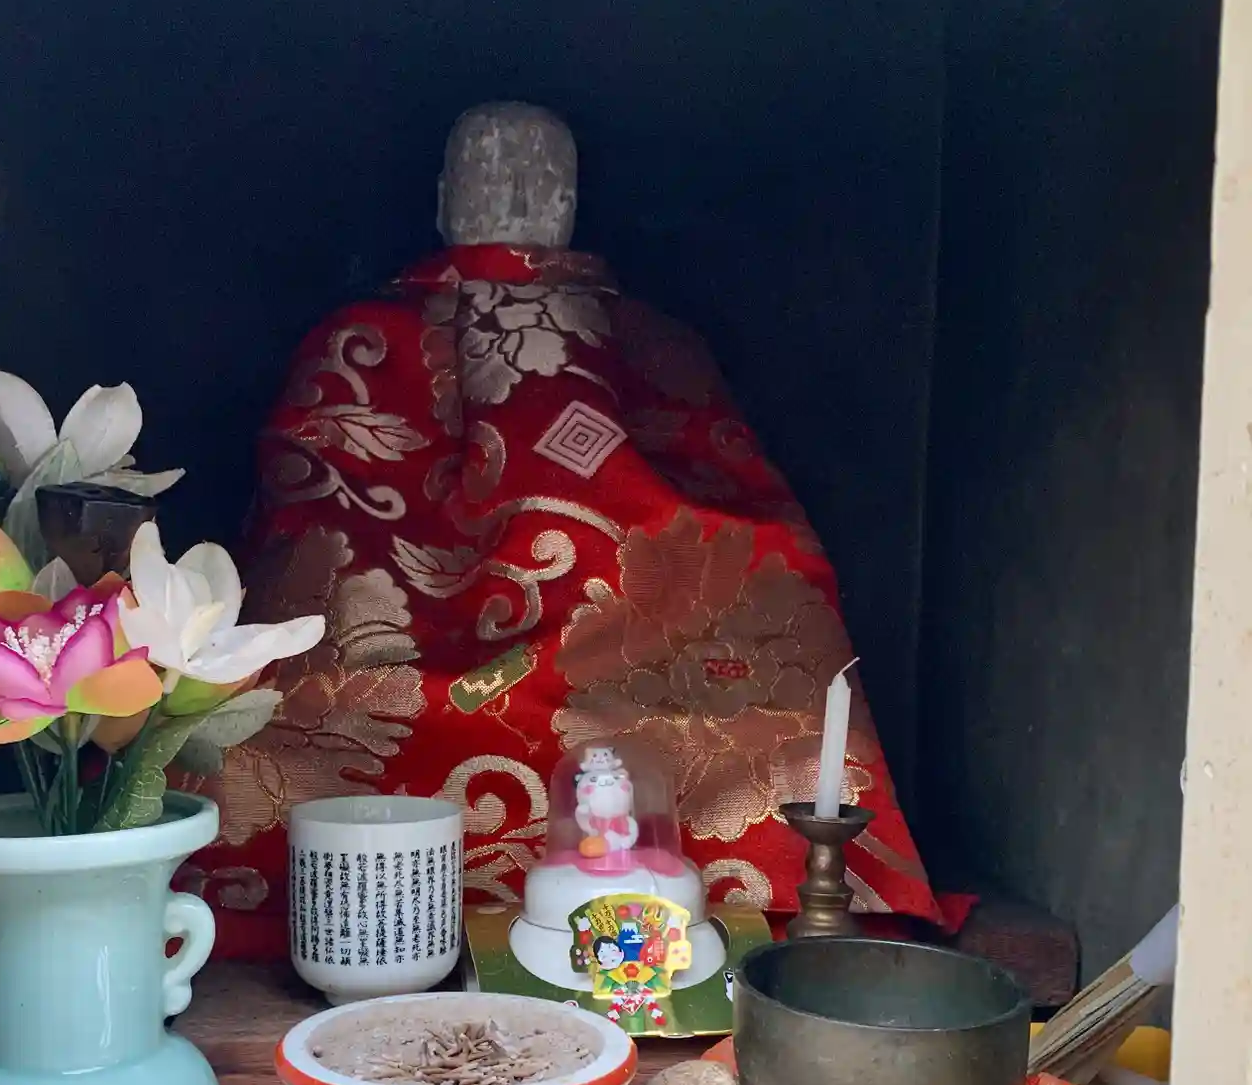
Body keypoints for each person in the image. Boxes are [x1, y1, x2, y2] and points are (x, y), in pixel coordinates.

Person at [182, 102, 939, 959]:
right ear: (442, 195)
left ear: (573, 197)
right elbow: (304, 518)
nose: (511, 199)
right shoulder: (362, 338)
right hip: (383, 639)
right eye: (488, 177)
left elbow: (716, 494)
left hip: (616, 635)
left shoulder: (649, 340)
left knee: (755, 640)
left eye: (536, 181)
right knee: (272, 691)